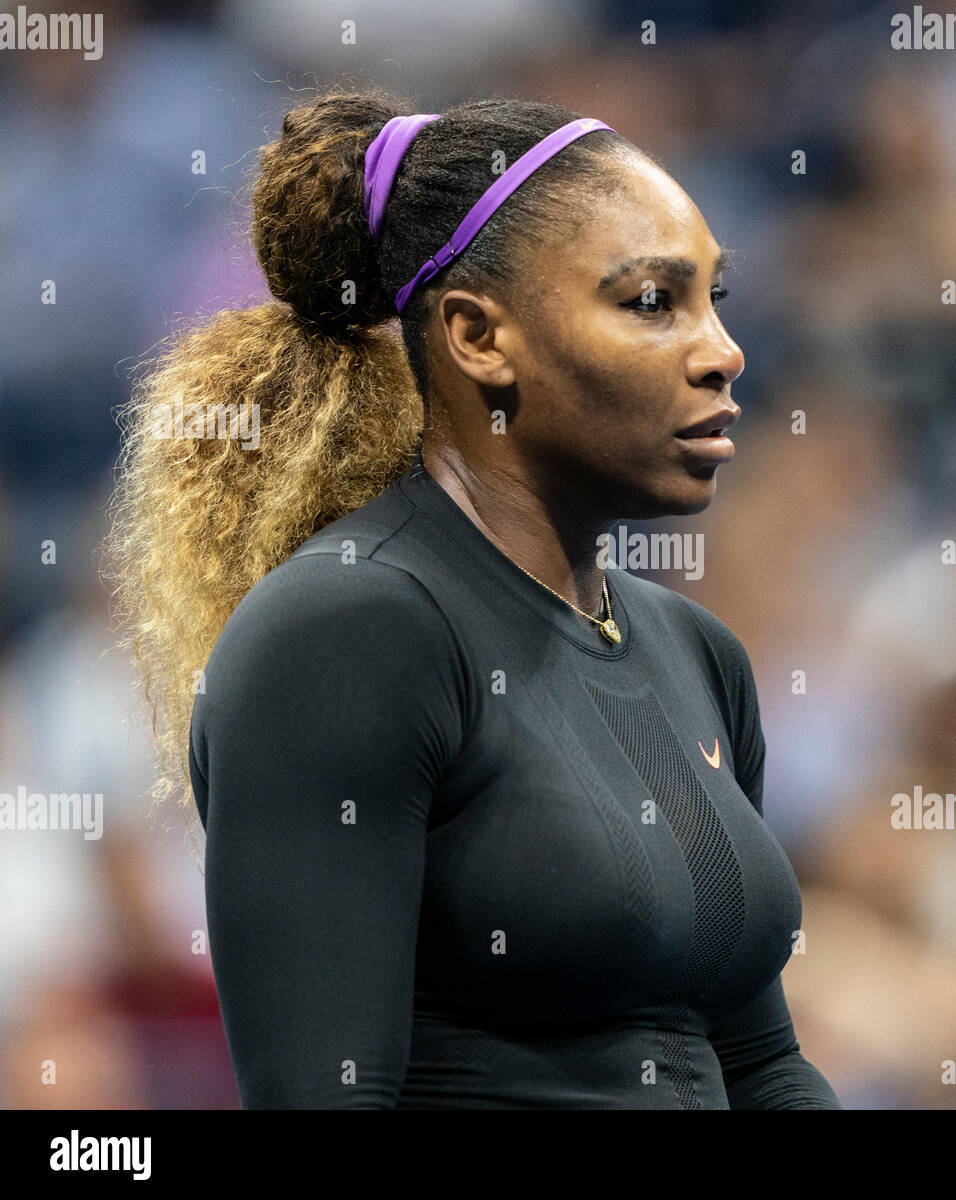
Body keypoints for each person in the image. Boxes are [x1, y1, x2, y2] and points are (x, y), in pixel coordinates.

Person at [106, 90, 842, 1109]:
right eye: (649, 302)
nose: (721, 349)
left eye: (715, 298)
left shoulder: (696, 651)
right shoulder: (346, 633)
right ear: (476, 336)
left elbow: (758, 1067)